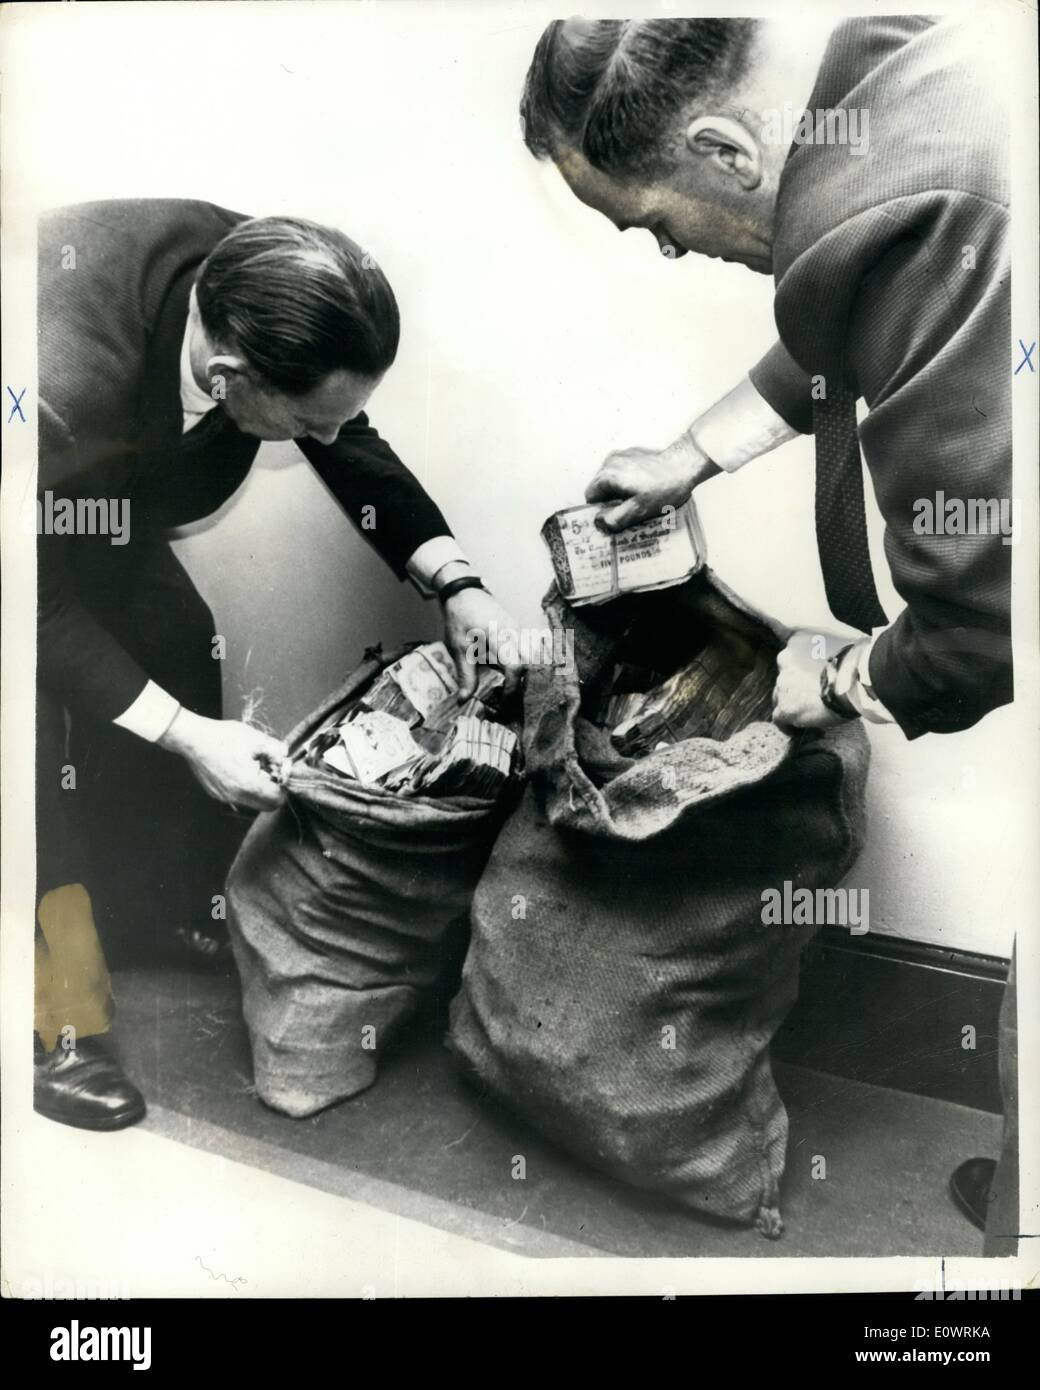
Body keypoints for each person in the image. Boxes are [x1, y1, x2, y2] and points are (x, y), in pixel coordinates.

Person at [519, 16, 1015, 1243]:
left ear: (721, 150)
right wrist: (687, 458)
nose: (673, 251)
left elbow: (977, 625)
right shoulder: (905, 72)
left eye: (651, 222)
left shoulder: (895, 209)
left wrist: (836, 678)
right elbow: (846, 319)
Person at [35, 199, 521, 1131]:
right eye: (304, 420)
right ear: (226, 379)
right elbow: (31, 601)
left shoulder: (262, 279)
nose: (327, 435)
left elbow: (347, 438)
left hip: (80, 495)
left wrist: (456, 582)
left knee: (175, 636)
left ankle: (145, 907)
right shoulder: (61, 385)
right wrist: (184, 736)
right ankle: (60, 1014)